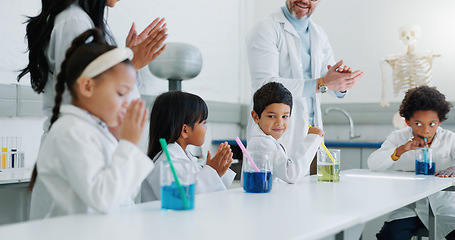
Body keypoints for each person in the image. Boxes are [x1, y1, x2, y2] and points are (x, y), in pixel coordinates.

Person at [29, 29, 154, 219]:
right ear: (87, 87)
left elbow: (126, 192)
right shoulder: (71, 131)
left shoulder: (95, 130)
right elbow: (103, 198)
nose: (127, 102)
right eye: (121, 93)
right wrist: (128, 145)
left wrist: (122, 141)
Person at [245, 0, 364, 175]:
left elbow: (327, 81)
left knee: (312, 197)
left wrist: (340, 84)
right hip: (278, 133)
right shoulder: (265, 28)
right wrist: (323, 83)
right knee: (276, 195)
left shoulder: (319, 34)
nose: (305, 1)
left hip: (313, 137)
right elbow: (266, 84)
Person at [17, 0, 167, 133]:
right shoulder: (75, 21)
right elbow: (84, 97)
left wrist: (128, 63)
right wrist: (130, 65)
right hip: (76, 140)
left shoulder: (81, 19)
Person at [368, 85, 455, 239]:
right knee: (390, 236)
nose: (426, 130)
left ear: (440, 121)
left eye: (432, 124)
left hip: (443, 206)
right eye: (418, 124)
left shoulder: (450, 139)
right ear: (408, 122)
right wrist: (401, 150)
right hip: (409, 208)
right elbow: (373, 164)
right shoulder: (398, 138)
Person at [141, 91, 236, 202]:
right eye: (203, 123)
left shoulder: (186, 157)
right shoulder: (164, 163)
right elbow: (180, 198)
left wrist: (216, 173)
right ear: (185, 130)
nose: (205, 128)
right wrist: (211, 172)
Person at [246, 82, 323, 183]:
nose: (279, 123)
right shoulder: (261, 143)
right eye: (272, 116)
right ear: (256, 117)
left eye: (285, 116)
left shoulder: (268, 140)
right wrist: (312, 138)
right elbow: (291, 174)